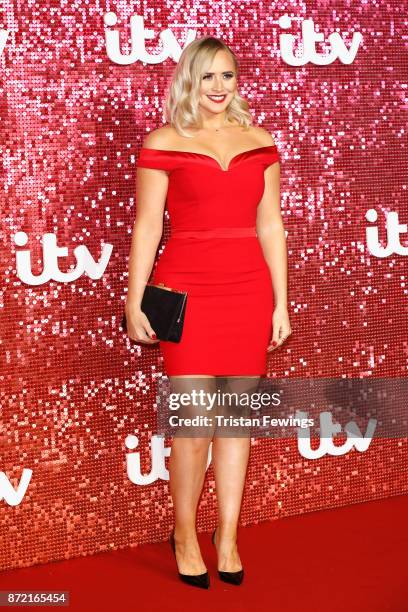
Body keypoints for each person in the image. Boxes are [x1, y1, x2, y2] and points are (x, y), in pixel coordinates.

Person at [124, 35, 291, 589]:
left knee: (235, 425)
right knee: (194, 427)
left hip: (247, 290)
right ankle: (184, 534)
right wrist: (133, 297)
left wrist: (281, 302)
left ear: (238, 82)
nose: (219, 87)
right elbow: (148, 224)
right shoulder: (164, 141)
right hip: (187, 291)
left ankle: (227, 536)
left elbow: (271, 225)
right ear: (188, 81)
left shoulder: (260, 141)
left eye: (228, 76)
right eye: (208, 76)